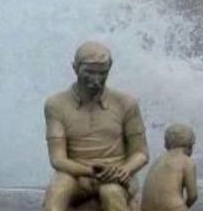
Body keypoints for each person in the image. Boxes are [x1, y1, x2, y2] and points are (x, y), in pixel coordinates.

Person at [42, 42, 150, 211]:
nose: (96, 80)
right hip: (75, 174)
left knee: (112, 192)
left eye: (102, 73)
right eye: (89, 73)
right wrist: (91, 171)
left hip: (115, 175)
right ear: (75, 68)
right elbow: (57, 159)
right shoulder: (56, 104)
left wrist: (125, 170)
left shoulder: (126, 103)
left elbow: (141, 153)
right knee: (57, 190)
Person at [140, 124, 198, 211]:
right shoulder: (187, 162)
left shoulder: (158, 161)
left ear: (166, 144)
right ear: (190, 146)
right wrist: (185, 206)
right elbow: (193, 195)